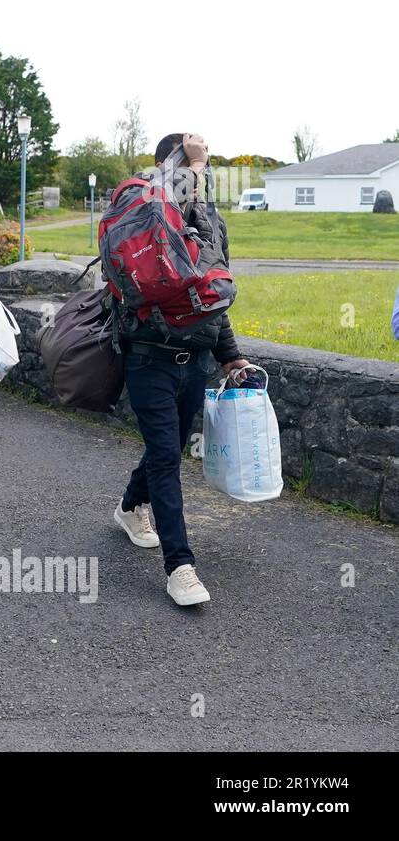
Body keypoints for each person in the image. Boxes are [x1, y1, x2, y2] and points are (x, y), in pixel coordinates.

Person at [111, 133, 250, 607]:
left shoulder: (204, 219)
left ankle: (131, 508)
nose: (199, 175)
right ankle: (180, 567)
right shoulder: (142, 211)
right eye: (190, 167)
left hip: (198, 360)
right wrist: (192, 168)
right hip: (149, 355)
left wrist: (230, 354)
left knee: (163, 450)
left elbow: (214, 289)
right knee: (167, 456)